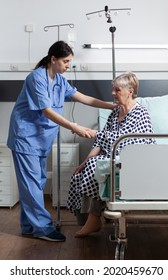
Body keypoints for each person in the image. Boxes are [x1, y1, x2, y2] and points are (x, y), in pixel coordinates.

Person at [7, 41, 116, 242]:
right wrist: (75, 127)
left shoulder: (59, 80)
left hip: (40, 140)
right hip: (25, 137)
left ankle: (28, 226)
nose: (68, 65)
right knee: (31, 184)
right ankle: (43, 228)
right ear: (53, 59)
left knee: (35, 183)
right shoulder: (36, 78)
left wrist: (111, 106)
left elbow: (82, 97)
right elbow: (46, 110)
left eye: (70, 62)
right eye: (65, 61)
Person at [67, 72, 155, 238]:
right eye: (113, 90)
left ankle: (93, 219)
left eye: (117, 90)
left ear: (130, 91)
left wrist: (95, 133)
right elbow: (100, 144)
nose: (113, 93)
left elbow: (129, 143)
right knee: (82, 172)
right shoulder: (114, 114)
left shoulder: (140, 113)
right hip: (109, 158)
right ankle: (90, 219)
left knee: (96, 166)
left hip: (132, 160)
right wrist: (84, 162)